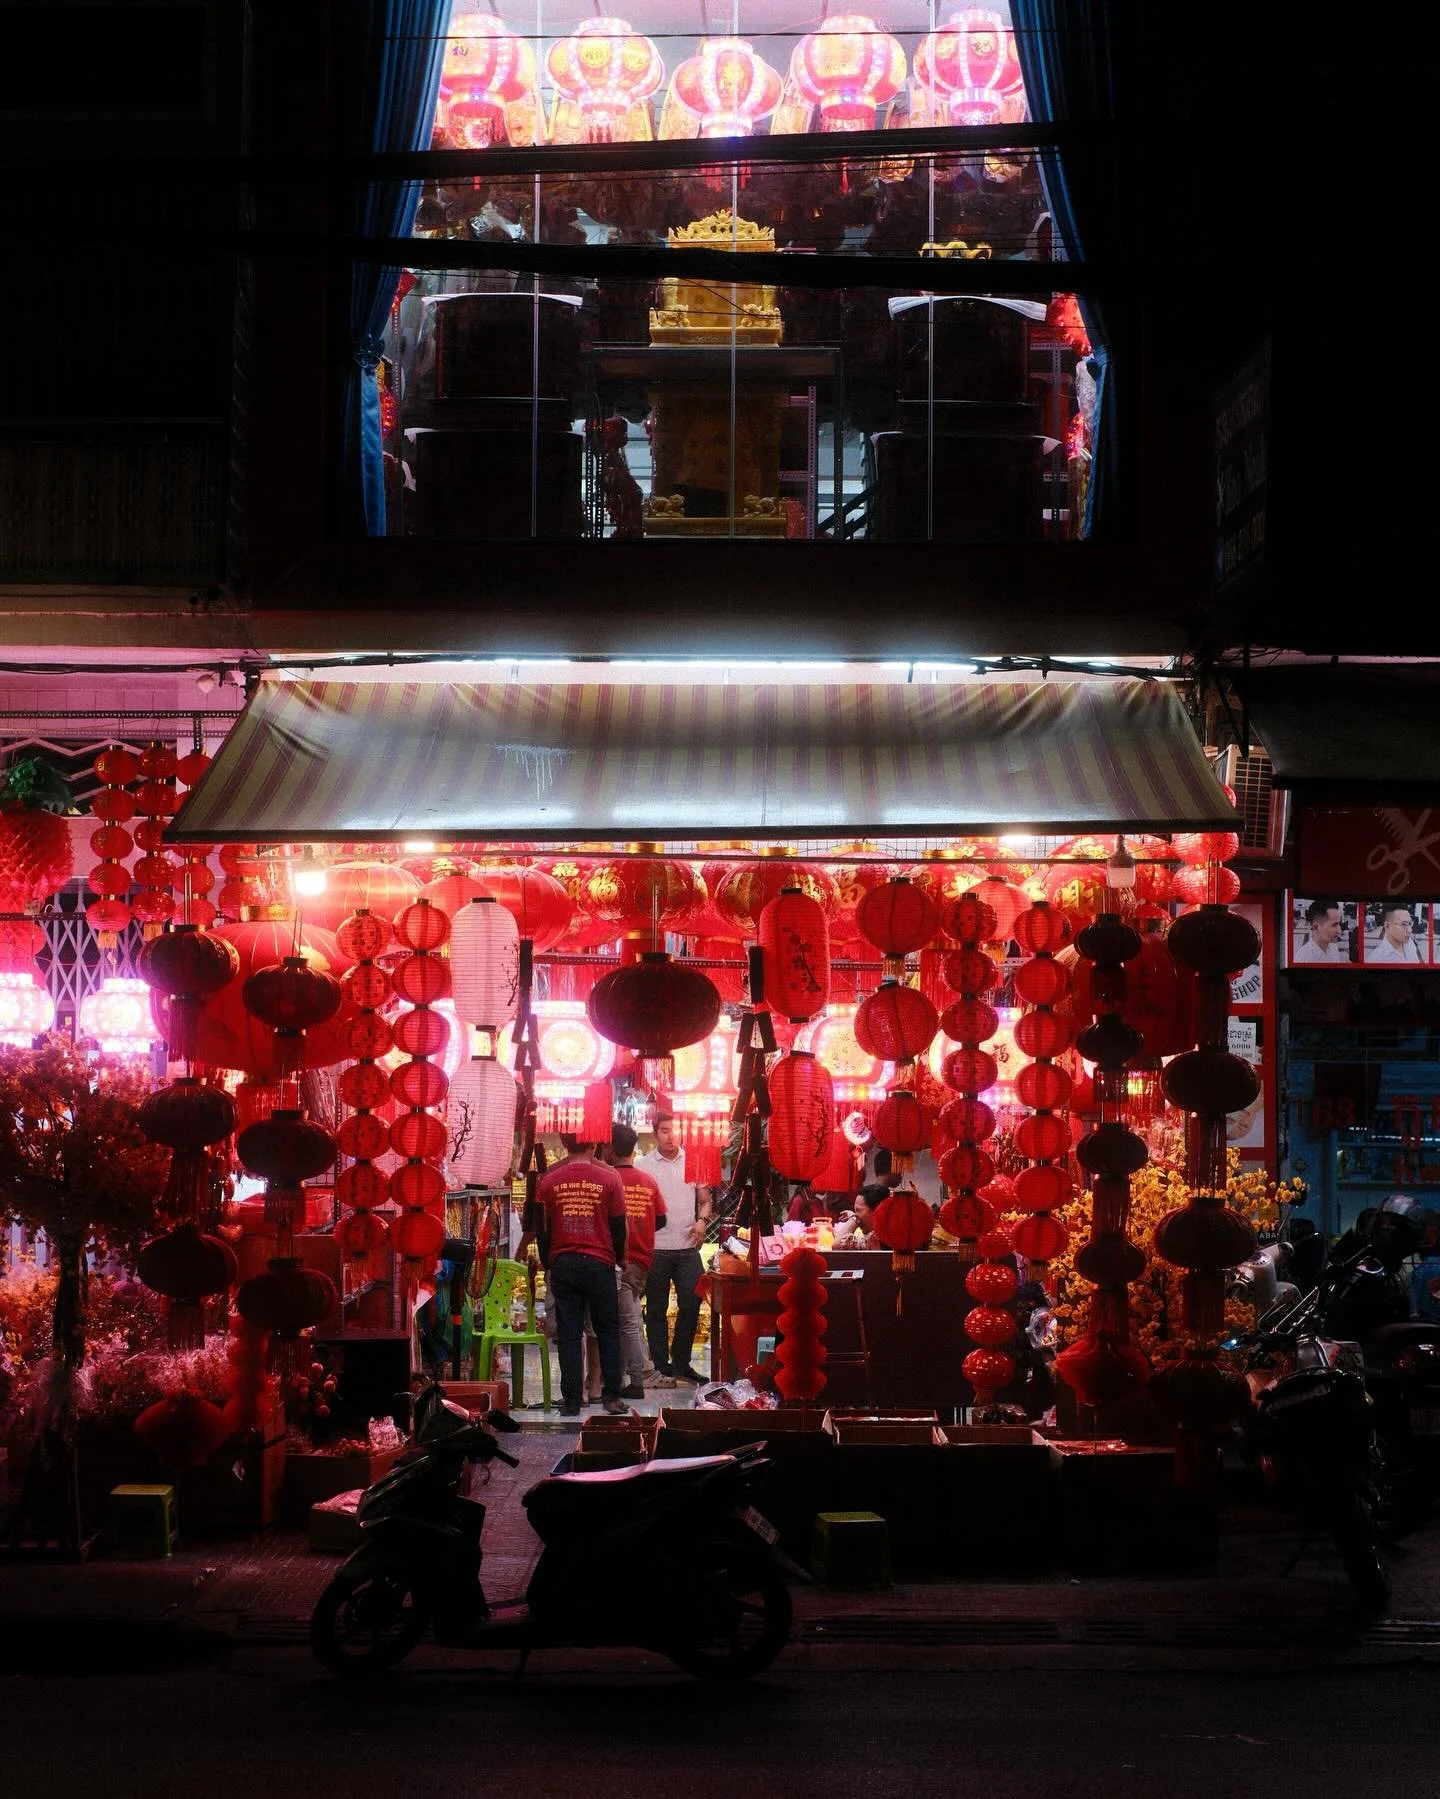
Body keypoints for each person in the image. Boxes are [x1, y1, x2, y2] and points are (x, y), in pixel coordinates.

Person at [535, 1133, 628, 1417]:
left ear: (564, 1144)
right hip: (600, 1265)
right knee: (609, 1331)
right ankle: (611, 1397)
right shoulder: (610, 1179)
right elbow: (618, 1226)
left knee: (569, 1335)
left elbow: (542, 1229)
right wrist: (620, 1259)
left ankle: (572, 1401)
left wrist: (548, 1262)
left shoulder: (548, 1181)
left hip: (564, 1264)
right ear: (594, 1145)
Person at [638, 1111, 711, 1385]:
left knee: (692, 1302)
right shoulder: (643, 1165)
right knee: (655, 1308)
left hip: (688, 1246)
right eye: (665, 1130)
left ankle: (682, 1363)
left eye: (675, 1129)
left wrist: (702, 1221)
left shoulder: (693, 1161)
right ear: (655, 1133)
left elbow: (705, 1200)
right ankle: (660, 1365)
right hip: (655, 1248)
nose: (671, 1135)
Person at [607, 1121, 666, 1401]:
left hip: (619, 1259)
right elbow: (661, 1219)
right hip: (643, 1258)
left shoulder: (607, 1179)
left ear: (610, 1149)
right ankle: (627, 1376)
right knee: (627, 1318)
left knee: (626, 1321)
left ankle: (636, 1378)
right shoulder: (648, 1181)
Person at [1294, 898, 1348, 962]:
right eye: (1334, 925)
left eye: (1339, 924)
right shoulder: (1303, 958)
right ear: (1316, 927)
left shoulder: (1333, 947)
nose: (1339, 931)